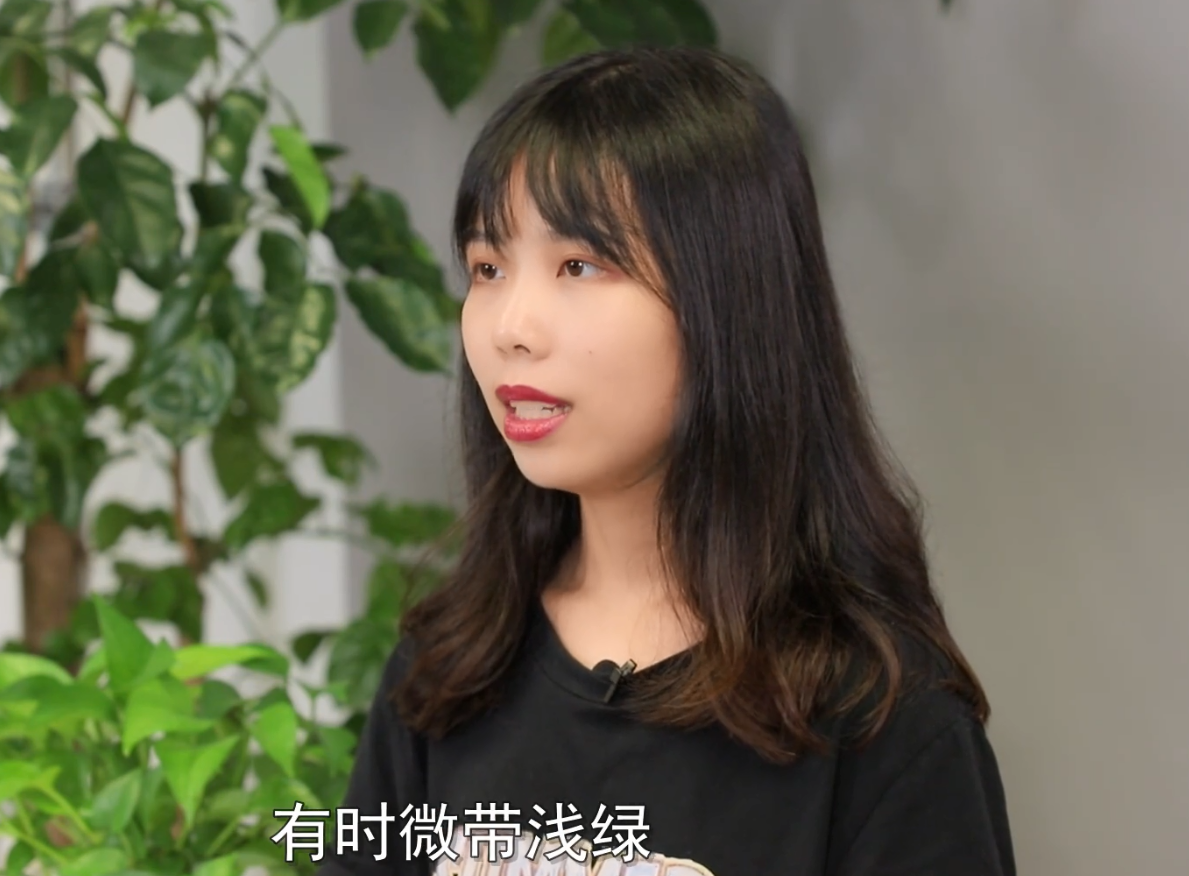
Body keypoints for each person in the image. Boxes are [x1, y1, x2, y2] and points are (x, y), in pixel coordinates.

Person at [314, 44, 1015, 876]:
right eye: (487, 268)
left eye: (579, 265)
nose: (510, 328)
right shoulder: (447, 670)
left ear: (729, 298)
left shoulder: (883, 722)